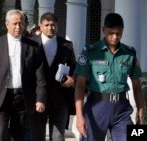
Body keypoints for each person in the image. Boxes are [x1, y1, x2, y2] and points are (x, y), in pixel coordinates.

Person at [0, 9, 47, 141]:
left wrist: (40, 98)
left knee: (18, 133)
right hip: (0, 97)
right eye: (14, 23)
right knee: (1, 132)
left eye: (21, 23)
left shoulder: (33, 46)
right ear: (7, 24)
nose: (18, 27)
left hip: (23, 97)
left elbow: (40, 74)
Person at [74, 13, 145, 141]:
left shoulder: (129, 53)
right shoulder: (90, 52)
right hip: (96, 107)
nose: (115, 37)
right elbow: (80, 85)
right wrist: (79, 116)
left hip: (122, 109)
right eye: (111, 33)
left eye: (118, 33)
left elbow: (137, 87)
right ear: (103, 30)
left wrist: (141, 113)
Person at [31, 12, 76, 141]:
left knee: (58, 137)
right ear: (40, 26)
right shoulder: (31, 44)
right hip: (37, 97)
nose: (50, 28)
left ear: (57, 25)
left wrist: (72, 78)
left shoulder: (66, 45)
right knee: (37, 136)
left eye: (53, 25)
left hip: (60, 97)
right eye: (47, 25)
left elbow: (75, 67)